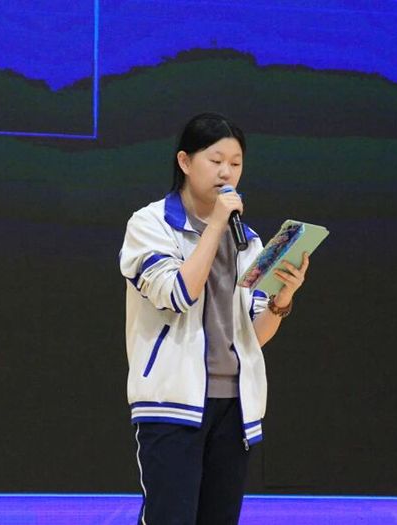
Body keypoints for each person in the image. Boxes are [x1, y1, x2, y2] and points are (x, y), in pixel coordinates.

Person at [119, 112, 310, 525]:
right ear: (185, 162)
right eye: (216, 160)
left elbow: (252, 336)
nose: (227, 172)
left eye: (236, 163)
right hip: (172, 403)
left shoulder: (249, 240)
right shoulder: (151, 224)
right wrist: (216, 224)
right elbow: (178, 294)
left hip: (234, 406)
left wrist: (283, 298)